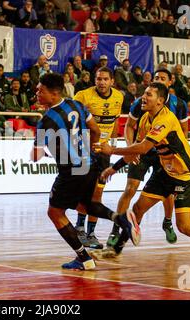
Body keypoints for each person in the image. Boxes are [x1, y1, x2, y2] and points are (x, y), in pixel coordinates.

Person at [97, 82, 190, 275]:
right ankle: (115, 250)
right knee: (138, 209)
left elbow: (142, 148)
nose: (144, 97)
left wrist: (112, 150)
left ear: (160, 100)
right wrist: (114, 168)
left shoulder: (165, 119)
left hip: (185, 175)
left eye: (149, 94)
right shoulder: (144, 119)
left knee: (184, 226)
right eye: (144, 93)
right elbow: (136, 152)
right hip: (166, 172)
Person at [31, 72, 140, 270]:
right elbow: (96, 130)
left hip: (71, 171)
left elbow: (35, 156)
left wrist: (46, 152)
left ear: (54, 94)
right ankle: (121, 219)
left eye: (41, 91)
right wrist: (89, 149)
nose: (37, 93)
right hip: (90, 163)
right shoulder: (77, 105)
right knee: (85, 205)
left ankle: (84, 258)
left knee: (55, 212)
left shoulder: (46, 120)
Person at [107, 69, 188, 248]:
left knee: (168, 194)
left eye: (162, 78)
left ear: (170, 83)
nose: (158, 80)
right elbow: (129, 126)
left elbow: (184, 131)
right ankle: (116, 227)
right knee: (130, 189)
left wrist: (176, 153)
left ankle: (167, 222)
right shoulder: (141, 102)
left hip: (164, 155)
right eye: (156, 77)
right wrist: (130, 149)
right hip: (142, 149)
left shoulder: (179, 105)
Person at [72, 67, 124, 249]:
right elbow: (71, 119)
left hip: (103, 151)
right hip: (84, 149)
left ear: (111, 81)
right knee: (83, 190)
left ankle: (91, 233)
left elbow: (116, 120)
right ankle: (79, 228)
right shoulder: (83, 95)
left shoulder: (119, 96)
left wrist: (113, 143)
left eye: (105, 79)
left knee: (97, 192)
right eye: (98, 79)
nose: (101, 82)